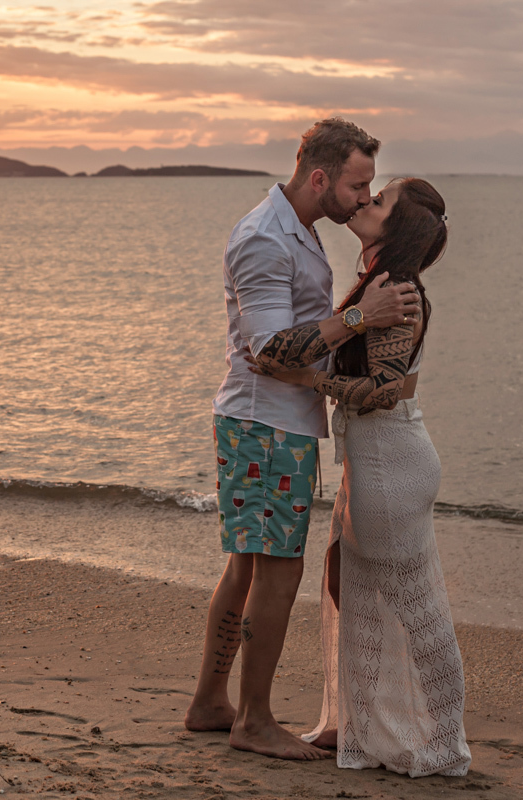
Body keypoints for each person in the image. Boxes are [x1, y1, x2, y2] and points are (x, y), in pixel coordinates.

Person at [184, 118, 422, 760]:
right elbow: (269, 348)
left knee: (245, 565)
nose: (363, 197)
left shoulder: (297, 230)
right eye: (356, 184)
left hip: (269, 423)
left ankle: (211, 702)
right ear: (319, 178)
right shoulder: (266, 239)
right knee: (278, 571)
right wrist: (358, 318)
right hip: (266, 426)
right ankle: (254, 720)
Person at [247, 177, 472, 776]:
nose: (367, 202)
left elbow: (382, 392)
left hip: (392, 463)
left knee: (411, 605)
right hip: (374, 463)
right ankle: (359, 723)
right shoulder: (377, 286)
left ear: (398, 228)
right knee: (350, 586)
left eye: (381, 200)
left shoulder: (396, 292)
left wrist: (303, 381)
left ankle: (445, 738)